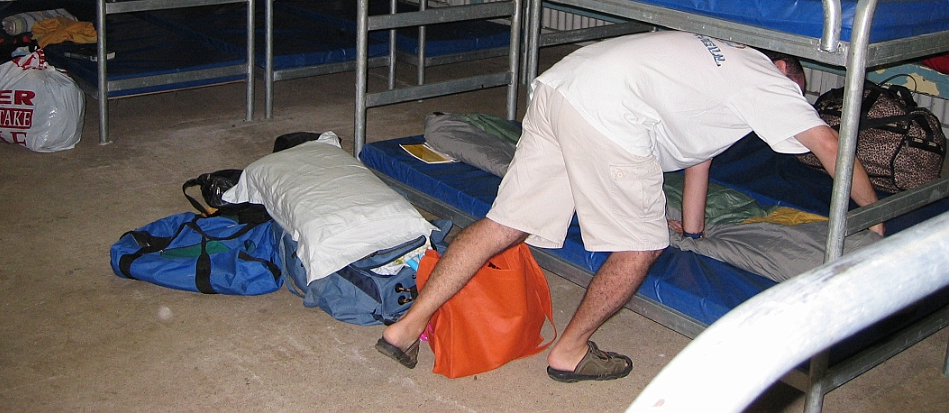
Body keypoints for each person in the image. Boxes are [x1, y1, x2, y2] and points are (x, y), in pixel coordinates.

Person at [375, 31, 883, 382]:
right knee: (640, 247)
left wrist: (693, 232)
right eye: (797, 95)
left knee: (504, 223)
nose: (793, 109)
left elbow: (698, 159)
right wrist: (875, 217)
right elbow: (831, 145)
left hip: (562, 85)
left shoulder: (721, 65)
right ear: (787, 72)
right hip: (610, 111)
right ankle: (570, 353)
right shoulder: (771, 81)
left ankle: (404, 329)